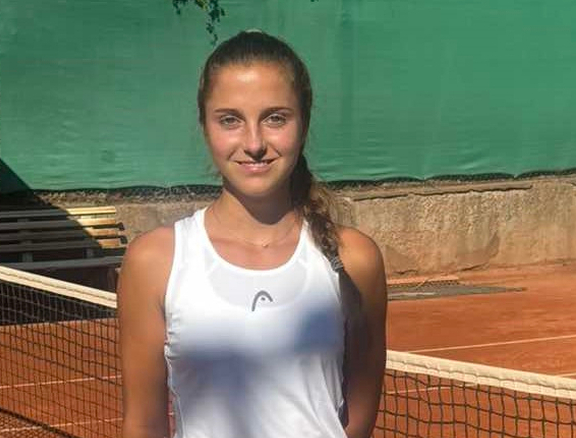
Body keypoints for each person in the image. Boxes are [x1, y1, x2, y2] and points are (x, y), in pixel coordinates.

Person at [119, 30, 387, 438]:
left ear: (304, 123)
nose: (254, 143)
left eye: (275, 118)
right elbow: (143, 425)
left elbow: (358, 423)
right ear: (205, 127)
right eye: (230, 120)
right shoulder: (154, 262)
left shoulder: (355, 260)